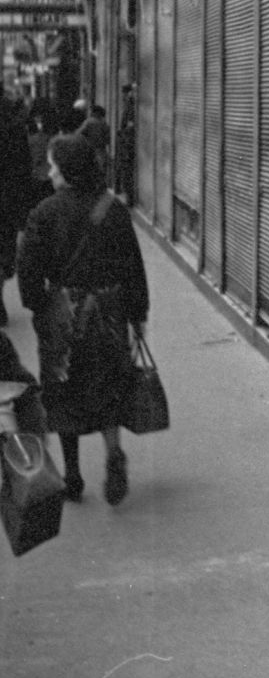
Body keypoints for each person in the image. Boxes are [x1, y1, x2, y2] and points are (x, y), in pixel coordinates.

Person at [17, 133, 149, 506]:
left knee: (62, 391)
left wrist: (38, 304)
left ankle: (73, 475)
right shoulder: (113, 208)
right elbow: (133, 267)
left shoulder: (43, 214)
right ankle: (112, 453)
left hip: (62, 313)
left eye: (54, 164)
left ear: (66, 170)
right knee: (108, 382)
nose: (51, 171)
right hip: (109, 310)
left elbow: (28, 271)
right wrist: (138, 314)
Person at [0, 91, 33, 328]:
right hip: (7, 203)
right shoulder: (16, 130)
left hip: (8, 201)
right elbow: (24, 171)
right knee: (4, 251)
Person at [77, 103, 111, 179]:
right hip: (101, 151)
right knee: (101, 172)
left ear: (94, 112)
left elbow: (79, 134)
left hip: (90, 150)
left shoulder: (88, 122)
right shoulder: (104, 124)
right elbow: (108, 140)